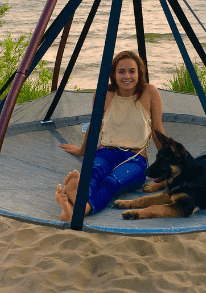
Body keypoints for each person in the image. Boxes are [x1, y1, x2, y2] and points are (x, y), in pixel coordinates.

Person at [55, 51, 165, 222]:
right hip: (105, 151)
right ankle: (76, 203)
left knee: (112, 182)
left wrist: (171, 163)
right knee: (93, 174)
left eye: (132, 71)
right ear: (113, 74)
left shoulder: (149, 92)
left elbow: (157, 131)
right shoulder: (103, 94)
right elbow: (94, 127)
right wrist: (82, 151)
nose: (127, 76)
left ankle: (80, 208)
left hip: (135, 158)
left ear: (139, 72)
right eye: (121, 72)